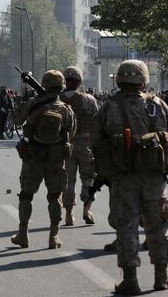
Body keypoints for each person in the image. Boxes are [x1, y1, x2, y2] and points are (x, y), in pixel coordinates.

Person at [90, 60, 168, 295]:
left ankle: (130, 280)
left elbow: (95, 140)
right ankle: (162, 276)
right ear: (143, 80)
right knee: (159, 224)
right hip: (154, 176)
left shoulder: (109, 107)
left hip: (123, 176)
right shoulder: (158, 105)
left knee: (127, 226)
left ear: (119, 80)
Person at [10, 70, 75, 250]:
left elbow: (16, 120)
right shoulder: (66, 109)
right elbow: (72, 132)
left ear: (44, 85)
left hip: (33, 157)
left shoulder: (34, 103)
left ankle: (23, 234)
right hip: (55, 159)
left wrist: (24, 102)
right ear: (61, 87)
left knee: (26, 195)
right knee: (55, 197)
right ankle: (53, 236)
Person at [59, 66, 100, 226]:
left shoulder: (58, 99)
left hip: (66, 144)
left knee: (68, 181)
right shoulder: (88, 99)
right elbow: (98, 121)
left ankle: (69, 214)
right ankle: (87, 209)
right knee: (88, 178)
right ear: (79, 81)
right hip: (86, 144)